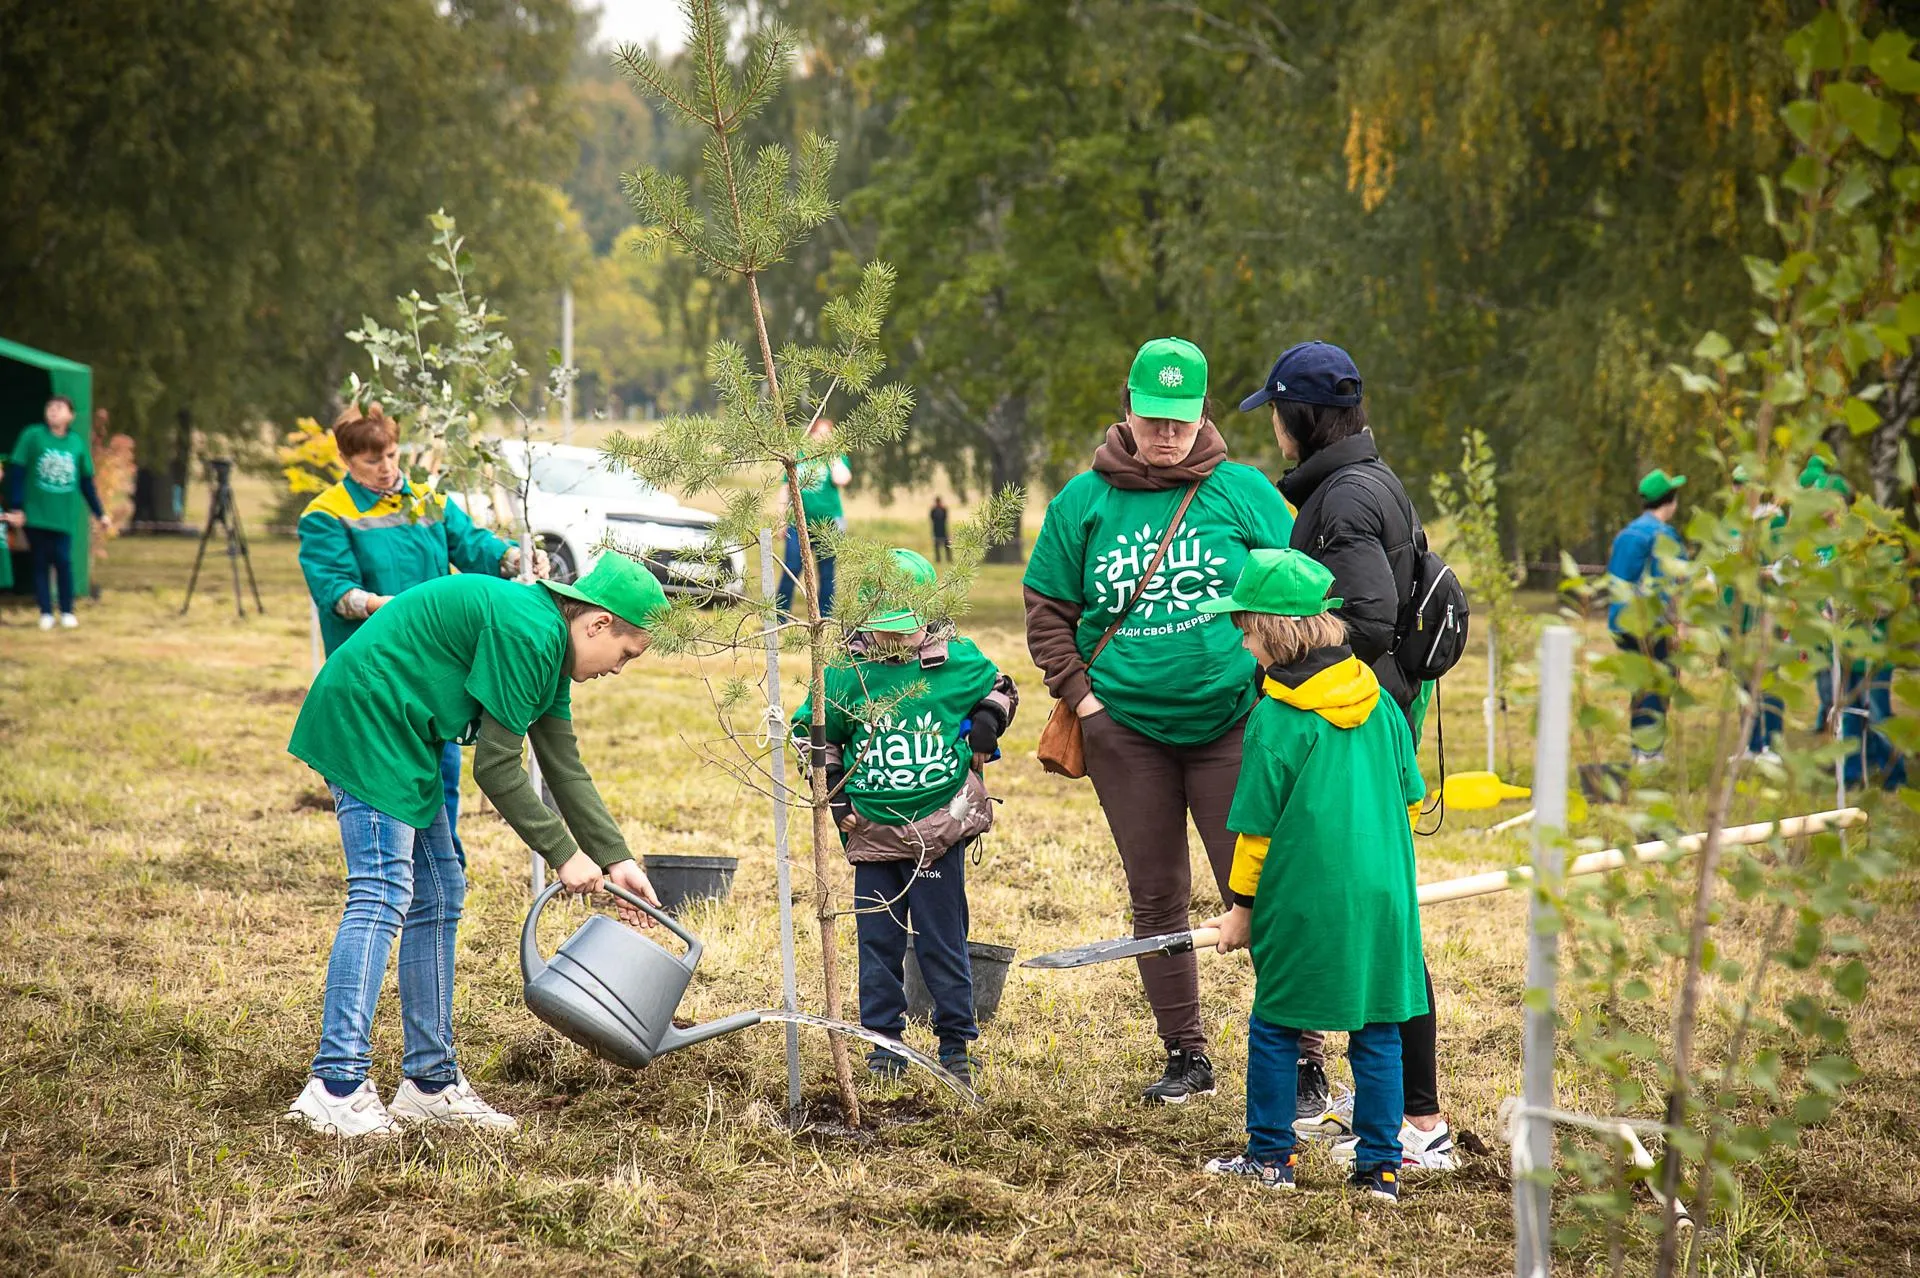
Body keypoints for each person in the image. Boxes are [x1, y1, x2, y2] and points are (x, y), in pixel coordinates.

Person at [282, 553, 668, 1138]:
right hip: (369, 717)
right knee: (383, 891)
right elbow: (497, 767)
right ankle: (334, 1087)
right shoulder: (529, 634)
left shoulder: (549, 648)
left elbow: (562, 765)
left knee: (439, 893)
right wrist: (564, 854)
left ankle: (430, 1084)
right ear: (596, 625)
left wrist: (618, 859)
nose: (620, 668)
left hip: (407, 733)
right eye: (625, 653)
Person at [1025, 337, 1299, 1105]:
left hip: (1234, 725)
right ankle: (1186, 1055)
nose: (1167, 435)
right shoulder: (1084, 502)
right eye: (1153, 419)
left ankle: (1303, 1061)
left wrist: (1272, 683)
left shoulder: (1242, 492)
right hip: (1127, 731)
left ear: (1205, 413)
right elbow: (1048, 605)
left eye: (1180, 420)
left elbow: (1297, 591)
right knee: (1156, 894)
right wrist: (1085, 701)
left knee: (1260, 888)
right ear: (1128, 410)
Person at [1241, 338, 1457, 1171]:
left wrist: (1304, 680)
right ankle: (1407, 1115)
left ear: (1302, 417)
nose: (1277, 435)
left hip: (1353, 724)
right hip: (1366, 721)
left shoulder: (1344, 498)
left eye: (1280, 416)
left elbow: (1365, 616)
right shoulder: (1363, 481)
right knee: (1382, 930)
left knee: (1383, 942)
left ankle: (1416, 1120)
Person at [1195, 549, 1427, 1202]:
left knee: (1278, 1024)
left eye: (1243, 630)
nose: (1242, 643)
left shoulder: (1276, 716)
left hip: (1305, 896)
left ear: (1271, 632)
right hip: (1383, 893)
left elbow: (1258, 833)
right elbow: (1410, 798)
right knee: (1377, 1025)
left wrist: (1241, 909)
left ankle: (1271, 1159)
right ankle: (1380, 1169)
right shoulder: (1379, 701)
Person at [793, 548, 1017, 1086]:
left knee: (942, 938)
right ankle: (882, 1043)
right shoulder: (847, 674)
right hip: (870, 831)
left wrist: (987, 720)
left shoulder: (956, 660)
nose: (896, 642)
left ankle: (955, 1043)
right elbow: (813, 733)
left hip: (937, 830)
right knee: (878, 941)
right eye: (884, 630)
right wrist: (834, 795)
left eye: (906, 629)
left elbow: (1002, 688)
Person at [296, 402, 547, 864]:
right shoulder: (327, 514)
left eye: (391, 454)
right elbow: (334, 589)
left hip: (436, 667)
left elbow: (471, 543)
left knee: (443, 771)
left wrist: (514, 557)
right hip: (377, 670)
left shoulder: (425, 499)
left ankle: (440, 870)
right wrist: (381, 606)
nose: (387, 468)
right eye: (373, 461)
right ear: (347, 461)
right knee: (389, 779)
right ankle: (393, 869)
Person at [1605, 469, 1687, 764]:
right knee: (1656, 685)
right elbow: (1671, 584)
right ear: (1671, 500)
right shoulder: (1663, 536)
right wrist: (1678, 625)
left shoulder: (1626, 534)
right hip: (1650, 624)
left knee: (1639, 686)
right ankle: (1650, 753)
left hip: (1622, 621)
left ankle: (1639, 749)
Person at [5, 395, 108, 630]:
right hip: (36, 513)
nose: (53, 411)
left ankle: (67, 610)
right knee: (40, 560)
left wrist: (99, 513)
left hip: (63, 515)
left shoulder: (76, 443)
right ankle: (45, 612)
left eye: (59, 408)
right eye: (50, 407)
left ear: (70, 416)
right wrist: (18, 507)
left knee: (63, 560)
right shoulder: (32, 436)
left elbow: (86, 482)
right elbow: (18, 472)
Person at [777, 417, 851, 616]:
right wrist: (781, 519)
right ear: (811, 434)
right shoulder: (798, 455)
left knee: (826, 573)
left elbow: (842, 479)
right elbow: (786, 488)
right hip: (798, 523)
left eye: (828, 435)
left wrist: (832, 455)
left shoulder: (837, 458)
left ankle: (824, 616)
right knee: (791, 568)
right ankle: (780, 615)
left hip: (828, 523)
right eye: (819, 433)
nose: (822, 438)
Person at [929, 495, 951, 562]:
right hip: (937, 530)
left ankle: (949, 559)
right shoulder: (934, 510)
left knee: (947, 545)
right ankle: (938, 559)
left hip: (943, 530)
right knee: (937, 546)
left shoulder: (943, 509)